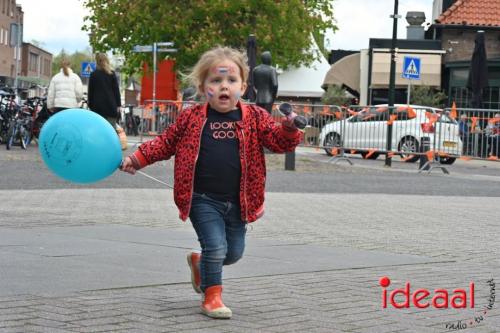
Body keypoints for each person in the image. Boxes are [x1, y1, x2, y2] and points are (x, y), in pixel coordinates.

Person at [120, 46, 302, 319]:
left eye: (231, 81)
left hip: (239, 201)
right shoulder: (191, 117)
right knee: (216, 248)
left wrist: (289, 128)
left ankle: (200, 262)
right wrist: (137, 158)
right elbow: (165, 142)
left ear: (243, 85)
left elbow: (277, 141)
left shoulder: (254, 117)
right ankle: (212, 296)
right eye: (215, 81)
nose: (224, 87)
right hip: (201, 198)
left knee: (233, 254)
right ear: (203, 86)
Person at [88, 53, 121, 127]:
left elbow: (91, 93)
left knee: (98, 131)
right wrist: (118, 105)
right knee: (111, 131)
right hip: (111, 107)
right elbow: (116, 91)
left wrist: (90, 106)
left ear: (97, 61)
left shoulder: (93, 75)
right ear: (107, 61)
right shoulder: (111, 74)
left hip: (97, 108)